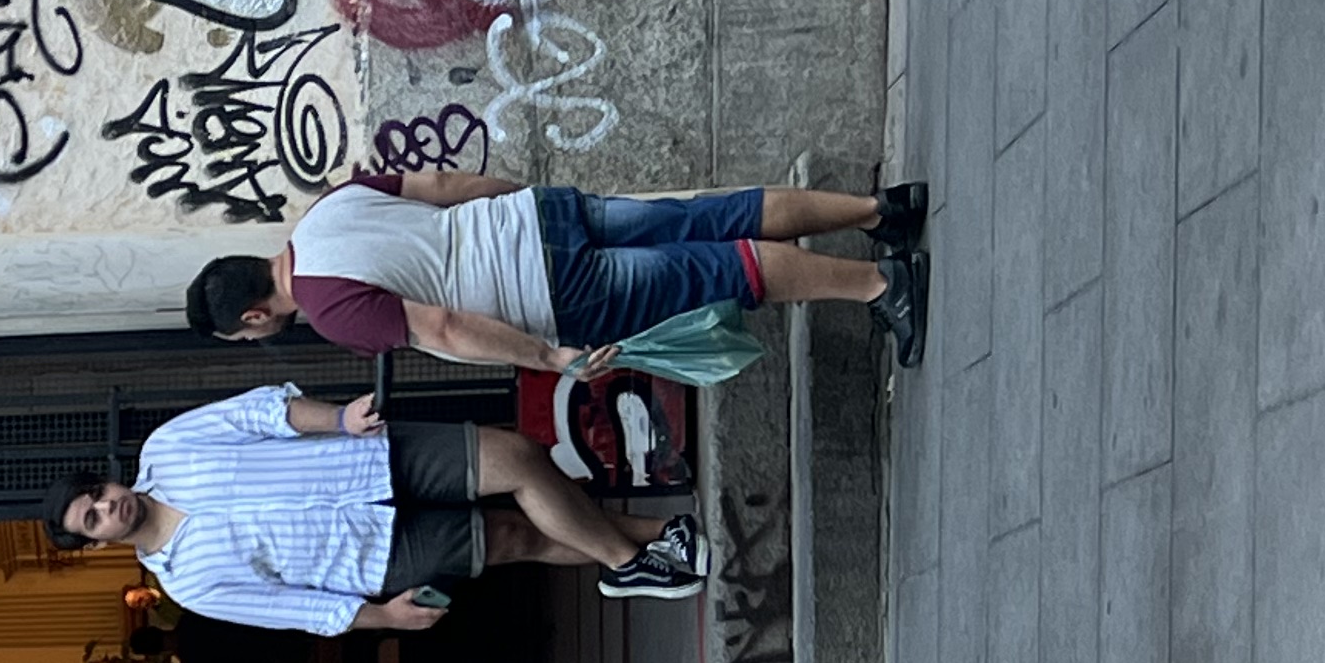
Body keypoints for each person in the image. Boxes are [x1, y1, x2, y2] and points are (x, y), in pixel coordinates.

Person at [42, 384, 710, 633]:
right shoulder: (185, 581)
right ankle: (664, 539)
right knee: (511, 537)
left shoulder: (170, 446)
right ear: (97, 543)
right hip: (372, 553)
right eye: (93, 520)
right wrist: (380, 616)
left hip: (366, 458)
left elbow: (261, 412)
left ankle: (631, 559)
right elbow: (289, 608)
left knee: (516, 458)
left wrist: (338, 417)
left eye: (97, 495)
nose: (109, 507)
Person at [188, 170, 930, 372]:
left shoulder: (330, 309)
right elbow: (444, 186)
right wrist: (520, 200)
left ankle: (879, 285)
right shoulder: (326, 210)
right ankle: (878, 211)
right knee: (712, 213)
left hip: (542, 290)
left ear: (254, 316)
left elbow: (442, 325)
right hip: (539, 217)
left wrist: (545, 357)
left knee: (714, 271)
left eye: (249, 337)